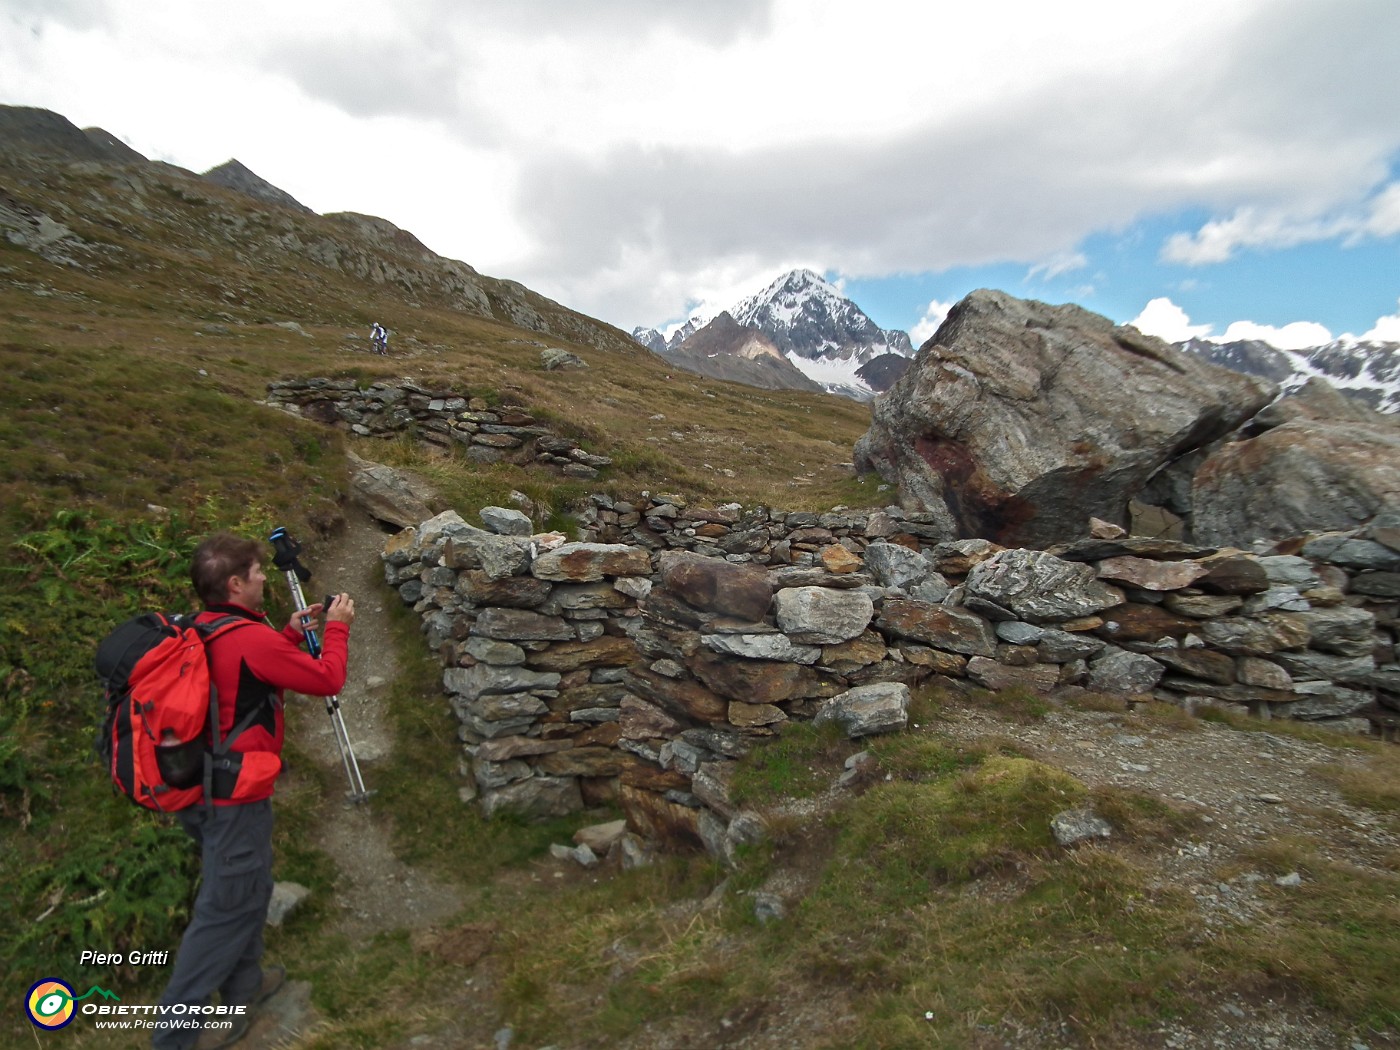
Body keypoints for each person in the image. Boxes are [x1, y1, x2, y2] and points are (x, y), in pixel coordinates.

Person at [152, 533, 355, 1050]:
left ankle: (244, 987)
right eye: (257, 570)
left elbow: (237, 684)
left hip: (200, 786)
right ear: (236, 582)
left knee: (249, 889)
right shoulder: (249, 638)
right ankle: (175, 1038)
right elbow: (327, 678)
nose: (265, 576)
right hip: (233, 796)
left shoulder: (203, 628)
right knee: (225, 909)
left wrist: (286, 636)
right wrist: (337, 630)